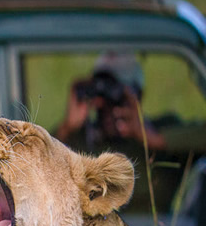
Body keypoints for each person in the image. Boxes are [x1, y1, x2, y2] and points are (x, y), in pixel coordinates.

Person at [55, 52, 204, 214]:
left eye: (116, 94)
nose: (107, 106)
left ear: (138, 96)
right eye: (101, 94)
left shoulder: (163, 133)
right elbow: (31, 161)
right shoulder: (77, 140)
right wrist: (66, 128)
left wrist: (155, 139)